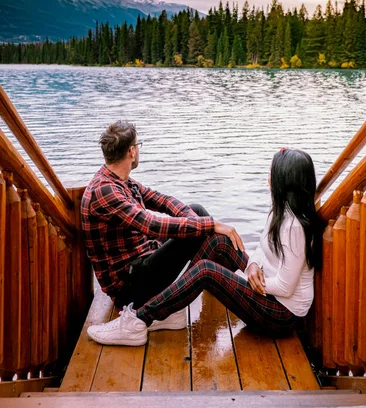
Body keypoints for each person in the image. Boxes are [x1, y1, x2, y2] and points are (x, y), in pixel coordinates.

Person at [87, 147, 323, 346]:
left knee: (207, 271)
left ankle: (138, 321)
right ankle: (170, 310)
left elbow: (284, 287)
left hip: (280, 315)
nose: (268, 177)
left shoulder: (295, 227)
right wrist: (251, 265)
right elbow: (262, 248)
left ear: (285, 182)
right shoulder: (280, 212)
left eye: (273, 173)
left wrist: (247, 280)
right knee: (218, 241)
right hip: (265, 290)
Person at [81, 120, 247, 335]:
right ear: (131, 151)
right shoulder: (105, 191)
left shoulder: (119, 181)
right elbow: (152, 225)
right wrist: (209, 224)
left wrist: (196, 221)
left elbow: (161, 200)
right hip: (129, 289)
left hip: (141, 263)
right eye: (139, 145)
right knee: (204, 226)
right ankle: (240, 277)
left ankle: (232, 278)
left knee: (196, 211)